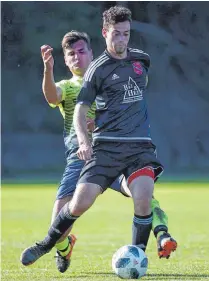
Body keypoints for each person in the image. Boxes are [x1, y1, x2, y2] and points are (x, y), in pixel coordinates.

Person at [20, 6, 177, 268]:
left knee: (144, 194)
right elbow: (80, 110)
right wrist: (84, 141)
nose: (122, 40)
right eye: (117, 34)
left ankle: (142, 251)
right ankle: (48, 244)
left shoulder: (142, 60)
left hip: (138, 148)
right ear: (105, 33)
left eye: (126, 34)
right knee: (78, 203)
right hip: (103, 150)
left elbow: (135, 92)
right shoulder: (95, 72)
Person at [39, 30, 128, 273]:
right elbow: (50, 95)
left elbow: (124, 112)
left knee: (140, 189)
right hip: (78, 159)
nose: (77, 57)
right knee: (56, 226)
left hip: (110, 154)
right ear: (66, 61)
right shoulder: (67, 87)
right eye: (71, 54)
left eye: (81, 51)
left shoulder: (107, 81)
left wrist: (100, 122)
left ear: (91, 52)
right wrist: (48, 69)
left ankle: (160, 231)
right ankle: (65, 247)